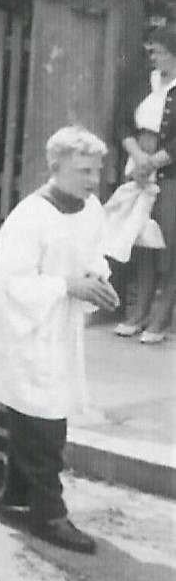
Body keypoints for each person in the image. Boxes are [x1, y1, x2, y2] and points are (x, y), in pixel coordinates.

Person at [0, 127, 118, 554]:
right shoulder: (29, 217)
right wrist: (66, 286)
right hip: (21, 331)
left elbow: (91, 254)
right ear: (55, 168)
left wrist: (97, 279)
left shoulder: (91, 210)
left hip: (59, 328)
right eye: (83, 171)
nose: (92, 180)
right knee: (44, 424)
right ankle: (49, 513)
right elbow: (11, 284)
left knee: (36, 414)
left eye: (96, 171)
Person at [111, 26, 176, 345]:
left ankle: (161, 320)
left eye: (160, 52)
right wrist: (137, 156)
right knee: (141, 240)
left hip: (169, 171)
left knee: (170, 243)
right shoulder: (143, 82)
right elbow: (121, 121)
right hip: (137, 166)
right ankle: (138, 314)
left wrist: (155, 161)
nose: (154, 57)